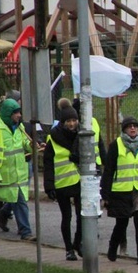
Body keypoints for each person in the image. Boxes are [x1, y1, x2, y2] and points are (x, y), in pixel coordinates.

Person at [101, 116, 138, 265]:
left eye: (135, 126)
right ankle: (113, 246)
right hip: (121, 191)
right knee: (122, 223)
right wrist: (104, 194)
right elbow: (109, 171)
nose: (133, 128)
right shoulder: (116, 145)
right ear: (124, 129)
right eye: (129, 126)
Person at [0, 98, 37, 241]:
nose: (19, 115)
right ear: (9, 114)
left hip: (16, 175)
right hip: (0, 176)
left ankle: (25, 232)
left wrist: (32, 146)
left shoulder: (18, 127)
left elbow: (23, 142)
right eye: (16, 113)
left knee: (20, 201)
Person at [44, 101, 82, 260]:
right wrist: (49, 185)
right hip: (61, 183)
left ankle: (77, 243)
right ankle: (69, 249)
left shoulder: (82, 134)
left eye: (74, 120)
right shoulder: (53, 138)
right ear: (63, 122)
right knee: (66, 217)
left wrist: (79, 157)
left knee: (83, 216)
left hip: (79, 181)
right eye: (68, 121)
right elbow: (48, 163)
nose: (72, 124)